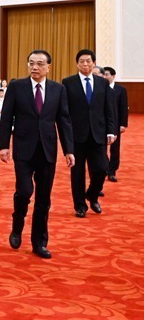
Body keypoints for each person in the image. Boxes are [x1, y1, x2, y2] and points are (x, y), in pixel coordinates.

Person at [0, 50, 74, 259]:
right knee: (24, 191)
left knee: (43, 199)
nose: (35, 67)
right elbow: (7, 117)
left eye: (40, 63)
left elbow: (64, 120)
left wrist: (69, 150)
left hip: (47, 150)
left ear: (48, 67)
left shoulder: (58, 89)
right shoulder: (17, 87)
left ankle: (39, 243)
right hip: (23, 148)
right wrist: (4, 145)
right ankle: (17, 223)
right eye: (31, 63)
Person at [61, 50, 116, 218]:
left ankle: (92, 195)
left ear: (94, 63)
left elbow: (109, 109)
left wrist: (111, 130)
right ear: (77, 64)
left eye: (88, 61)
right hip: (76, 136)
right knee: (77, 173)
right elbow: (65, 112)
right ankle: (80, 206)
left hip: (98, 134)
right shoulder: (68, 83)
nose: (85, 64)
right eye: (82, 61)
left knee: (102, 169)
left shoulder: (102, 83)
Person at [101, 67, 128, 182]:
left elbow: (123, 108)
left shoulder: (120, 89)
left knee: (115, 149)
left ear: (113, 76)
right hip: (101, 123)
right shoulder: (100, 88)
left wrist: (123, 124)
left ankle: (112, 171)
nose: (105, 77)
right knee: (101, 148)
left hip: (115, 123)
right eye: (103, 74)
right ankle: (105, 168)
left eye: (107, 74)